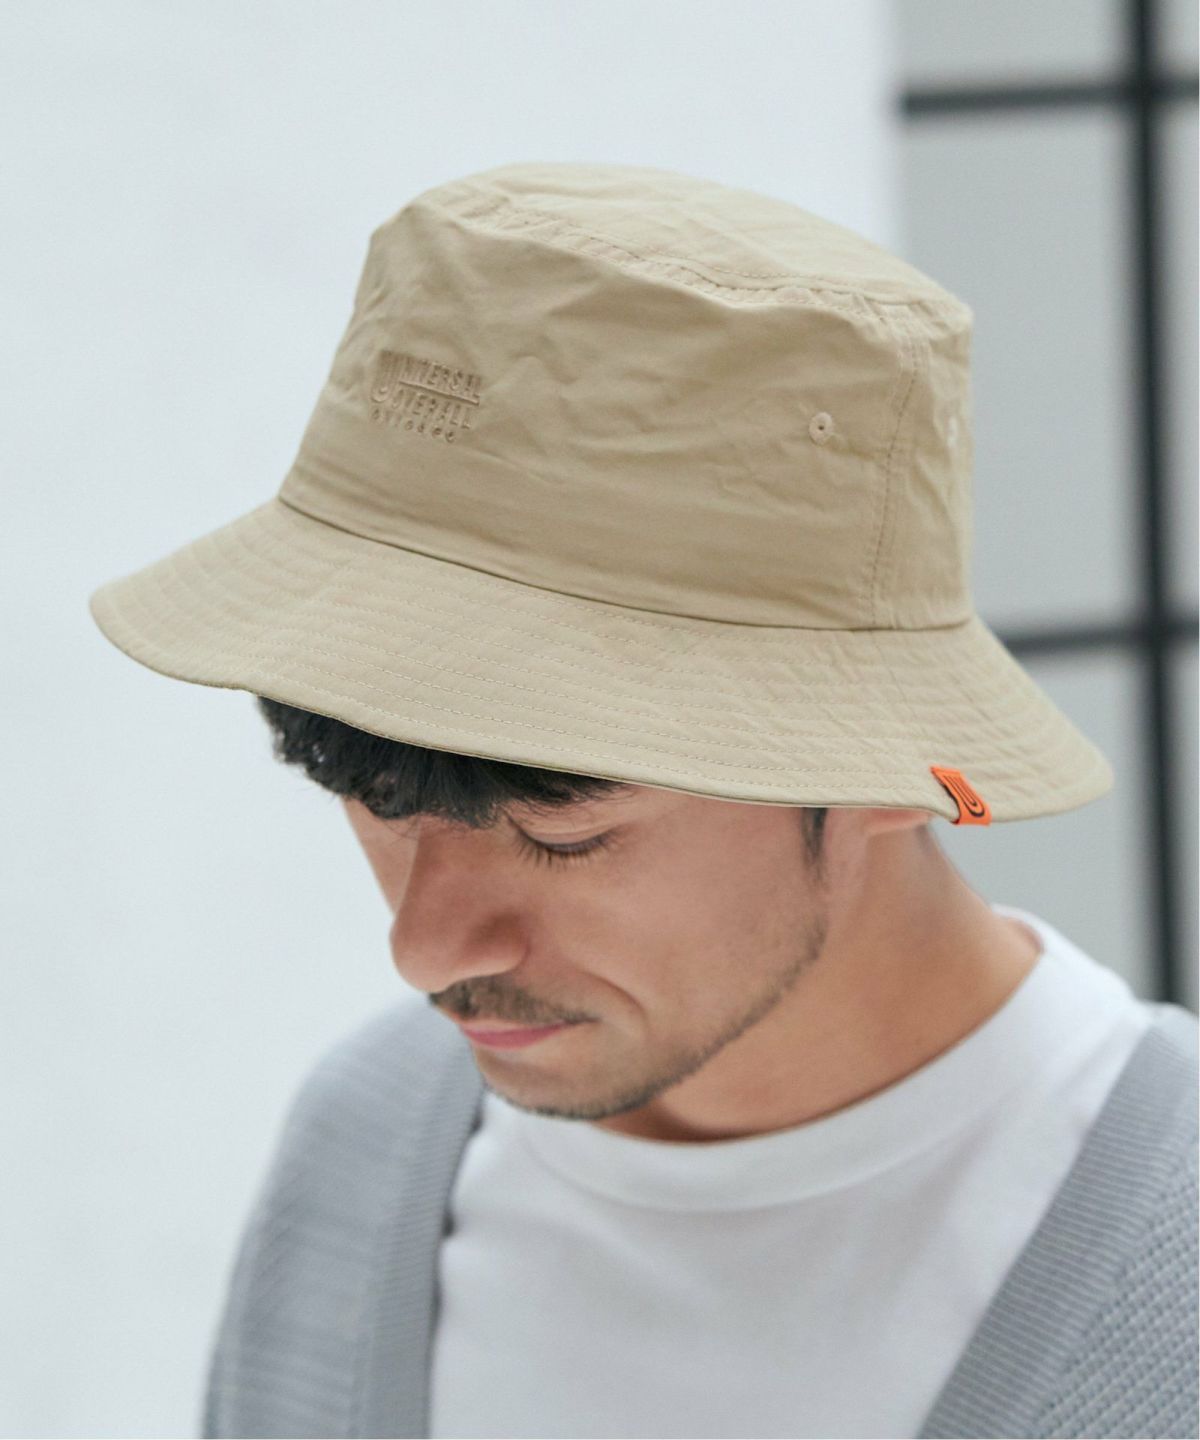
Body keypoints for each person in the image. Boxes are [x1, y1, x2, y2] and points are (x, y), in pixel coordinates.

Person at [88, 161, 1198, 1440]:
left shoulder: (1167, 1277)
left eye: (562, 832)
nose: (425, 950)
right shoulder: (367, 1154)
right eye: (373, 796)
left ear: (887, 770)